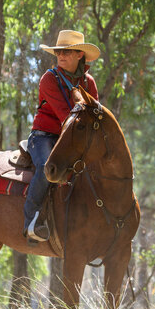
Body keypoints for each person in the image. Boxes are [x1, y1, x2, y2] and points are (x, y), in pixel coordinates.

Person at [24, 30, 100, 242]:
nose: (61, 56)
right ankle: (31, 222)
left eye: (66, 52)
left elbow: (94, 117)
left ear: (79, 55)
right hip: (44, 136)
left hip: (73, 139)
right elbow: (66, 116)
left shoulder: (89, 83)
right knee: (46, 167)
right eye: (58, 52)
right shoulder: (49, 79)